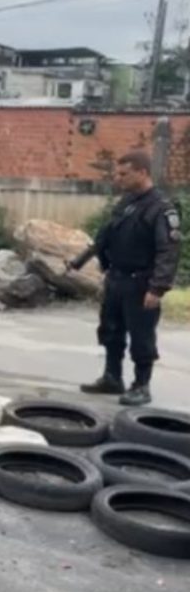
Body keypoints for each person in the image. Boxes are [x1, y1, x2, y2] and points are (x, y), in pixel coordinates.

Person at [69, 150, 182, 406]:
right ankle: (112, 378)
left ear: (142, 173)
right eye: (117, 173)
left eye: (124, 174)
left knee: (141, 337)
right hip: (117, 279)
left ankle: (141, 386)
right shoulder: (127, 203)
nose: (118, 178)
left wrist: (158, 287)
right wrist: (82, 260)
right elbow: (105, 236)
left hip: (141, 282)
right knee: (111, 330)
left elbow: (169, 250)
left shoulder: (160, 208)